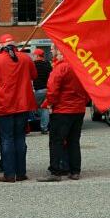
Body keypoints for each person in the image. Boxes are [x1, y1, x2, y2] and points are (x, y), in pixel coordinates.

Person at [0, 34, 37, 183]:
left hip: (4, 104)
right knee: (20, 138)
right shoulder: (26, 58)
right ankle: (21, 173)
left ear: (1, 46)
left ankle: (9, 173)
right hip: (23, 104)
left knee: (7, 139)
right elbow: (34, 75)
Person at [38, 50, 90, 182]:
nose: (53, 53)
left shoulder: (60, 68)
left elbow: (52, 88)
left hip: (62, 110)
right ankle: (75, 171)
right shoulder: (81, 67)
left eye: (55, 51)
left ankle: (55, 172)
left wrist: (50, 104)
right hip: (78, 109)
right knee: (74, 141)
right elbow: (89, 87)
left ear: (61, 53)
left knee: (56, 141)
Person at [31, 47, 53, 134]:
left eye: (33, 55)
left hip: (38, 90)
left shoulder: (33, 65)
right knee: (45, 109)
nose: (33, 57)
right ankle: (44, 128)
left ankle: (36, 122)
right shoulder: (47, 64)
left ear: (37, 56)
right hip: (47, 90)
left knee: (32, 106)